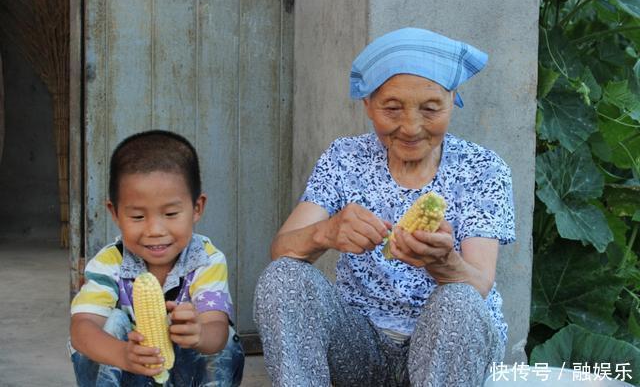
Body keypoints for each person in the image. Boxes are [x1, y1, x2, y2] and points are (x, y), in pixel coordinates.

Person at [253, 27, 516, 386]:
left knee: (461, 301)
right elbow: (281, 250)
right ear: (368, 104)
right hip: (360, 346)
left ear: (452, 99)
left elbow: (479, 284)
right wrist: (324, 232)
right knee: (283, 277)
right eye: (392, 108)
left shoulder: (483, 169)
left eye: (430, 108)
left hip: (445, 351)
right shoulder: (343, 158)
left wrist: (446, 263)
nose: (411, 127)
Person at [69, 130, 244, 386]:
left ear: (197, 208)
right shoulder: (109, 264)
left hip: (185, 372)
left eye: (171, 214)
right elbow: (81, 329)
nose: (155, 231)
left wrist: (199, 334)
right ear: (115, 213)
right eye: (138, 217)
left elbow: (216, 329)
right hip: (126, 372)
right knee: (113, 322)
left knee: (225, 339)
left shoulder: (206, 259)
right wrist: (123, 355)